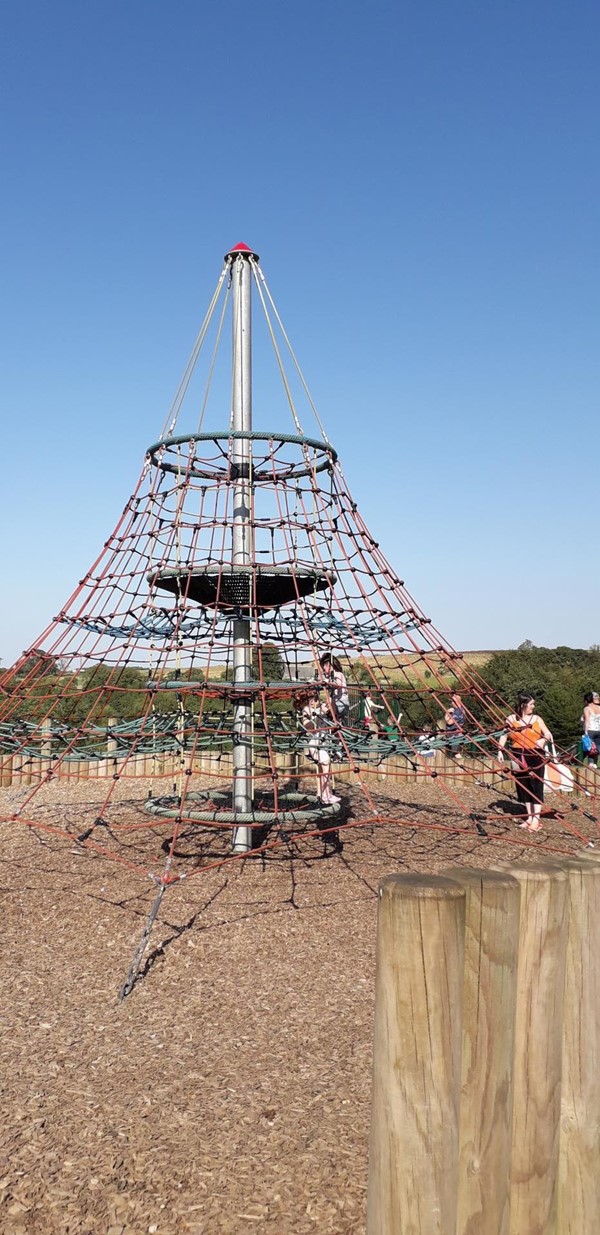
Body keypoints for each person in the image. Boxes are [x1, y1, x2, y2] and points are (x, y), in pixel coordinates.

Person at [497, 693, 553, 831]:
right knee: (523, 785)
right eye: (531, 704)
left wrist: (543, 739)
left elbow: (548, 734)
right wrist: (500, 750)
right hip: (518, 754)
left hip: (535, 754)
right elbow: (504, 735)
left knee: (536, 784)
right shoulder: (511, 719)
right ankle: (529, 817)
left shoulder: (536, 719)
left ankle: (536, 819)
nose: (533, 706)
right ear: (523, 705)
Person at [298, 692, 340, 807]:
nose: (312, 702)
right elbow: (307, 726)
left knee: (325, 768)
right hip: (315, 743)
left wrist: (329, 701)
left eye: (314, 699)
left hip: (324, 742)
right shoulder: (307, 710)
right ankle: (325, 794)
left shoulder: (321, 707)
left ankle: (325, 793)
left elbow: (332, 710)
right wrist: (316, 717)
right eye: (310, 699)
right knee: (325, 762)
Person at [318, 653, 349, 724]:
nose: (323, 671)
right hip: (341, 703)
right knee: (338, 721)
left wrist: (328, 684)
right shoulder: (332, 677)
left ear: (329, 666)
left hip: (340, 703)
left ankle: (330, 716)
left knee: (322, 708)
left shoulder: (337, 674)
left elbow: (338, 684)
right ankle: (338, 727)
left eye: (324, 668)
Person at [444, 691, 465, 760]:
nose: (451, 703)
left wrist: (447, 713)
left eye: (452, 701)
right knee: (455, 753)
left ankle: (462, 766)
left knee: (456, 754)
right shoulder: (460, 710)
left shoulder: (458, 711)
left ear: (456, 702)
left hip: (455, 735)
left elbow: (449, 722)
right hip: (456, 734)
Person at [582, 691, 600, 770]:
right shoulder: (599, 708)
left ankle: (591, 764)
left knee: (590, 748)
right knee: (597, 747)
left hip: (590, 730)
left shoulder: (587, 708)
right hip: (599, 730)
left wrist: (586, 732)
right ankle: (596, 764)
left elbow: (587, 721)